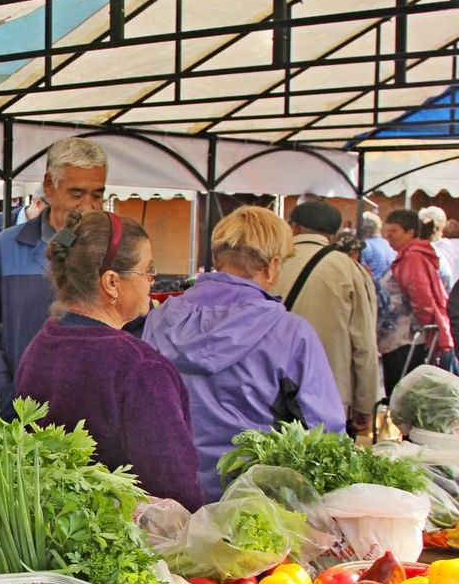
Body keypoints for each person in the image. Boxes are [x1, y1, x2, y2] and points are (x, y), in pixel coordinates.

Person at [143, 206, 344, 502]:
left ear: (216, 259)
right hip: (254, 506)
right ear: (273, 264)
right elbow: (325, 436)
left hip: (169, 495)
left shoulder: (159, 319)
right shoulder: (291, 332)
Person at [15, 210, 203, 510]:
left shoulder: (40, 346)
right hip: (131, 546)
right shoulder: (140, 369)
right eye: (147, 270)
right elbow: (177, 493)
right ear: (112, 282)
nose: (151, 282)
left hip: (50, 535)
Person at [0, 137, 107, 419]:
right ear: (49, 186)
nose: (88, 206)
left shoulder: (115, 250)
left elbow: (136, 327)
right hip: (18, 409)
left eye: (97, 195)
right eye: (76, 194)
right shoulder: (7, 246)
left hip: (94, 413)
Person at [273, 201, 379, 435]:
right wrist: (365, 403)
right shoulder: (350, 269)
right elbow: (364, 344)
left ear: (294, 228)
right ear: (333, 235)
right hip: (330, 399)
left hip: (270, 392)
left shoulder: (269, 264)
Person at [378, 208, 454, 397]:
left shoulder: (412, 257)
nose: (388, 236)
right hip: (399, 340)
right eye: (387, 231)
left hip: (407, 342)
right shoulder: (408, 255)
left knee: (402, 395)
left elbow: (422, 297)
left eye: (394, 231)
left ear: (410, 232)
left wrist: (426, 330)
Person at [360, 211, 394, 281]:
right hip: (387, 287)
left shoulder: (364, 246)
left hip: (373, 286)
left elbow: (360, 271)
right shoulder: (386, 243)